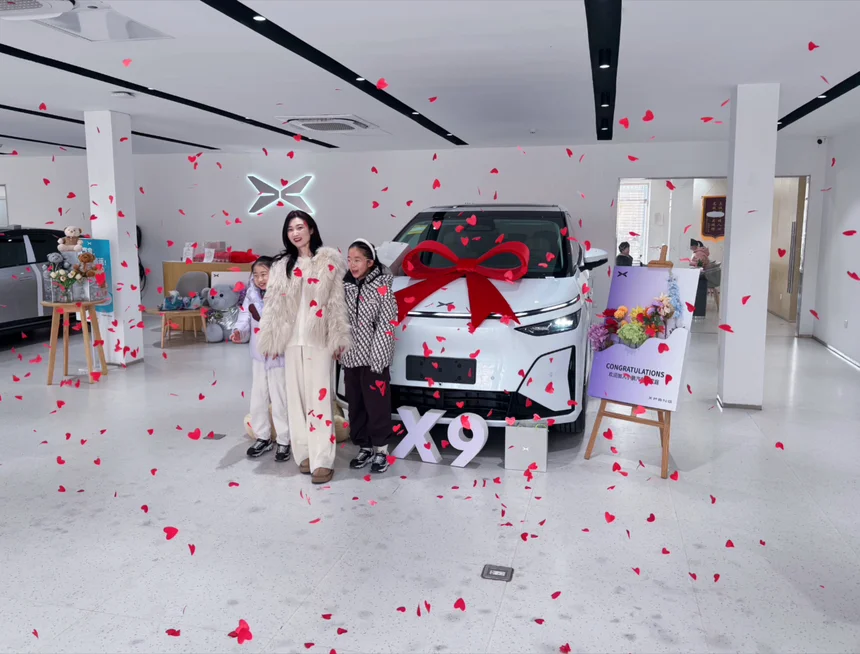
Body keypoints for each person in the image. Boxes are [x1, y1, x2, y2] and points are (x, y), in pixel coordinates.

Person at [257, 210, 351, 484]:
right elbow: (272, 304)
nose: (295, 233)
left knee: (319, 400)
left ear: (311, 229)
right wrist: (270, 337)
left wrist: (337, 337)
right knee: (295, 400)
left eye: (299, 227)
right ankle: (304, 454)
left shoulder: (328, 261)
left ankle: (323, 459)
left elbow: (336, 303)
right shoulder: (281, 266)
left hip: (318, 340)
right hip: (291, 341)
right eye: (290, 229)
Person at [341, 239, 397, 474]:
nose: (352, 265)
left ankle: (381, 449)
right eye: (349, 260)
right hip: (351, 357)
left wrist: (379, 359)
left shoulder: (383, 288)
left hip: (374, 359)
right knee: (356, 405)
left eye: (357, 260)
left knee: (377, 406)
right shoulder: (345, 287)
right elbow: (339, 320)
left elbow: (387, 324)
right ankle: (364, 446)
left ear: (370, 262)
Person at [231, 256, 291, 461]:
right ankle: (262, 436)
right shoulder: (251, 294)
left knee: (280, 397)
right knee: (258, 396)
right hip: (259, 355)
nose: (260, 279)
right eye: (256, 275)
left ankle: (284, 440)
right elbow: (244, 318)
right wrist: (239, 331)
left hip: (277, 355)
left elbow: (288, 323)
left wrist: (279, 343)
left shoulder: (283, 294)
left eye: (264, 274)